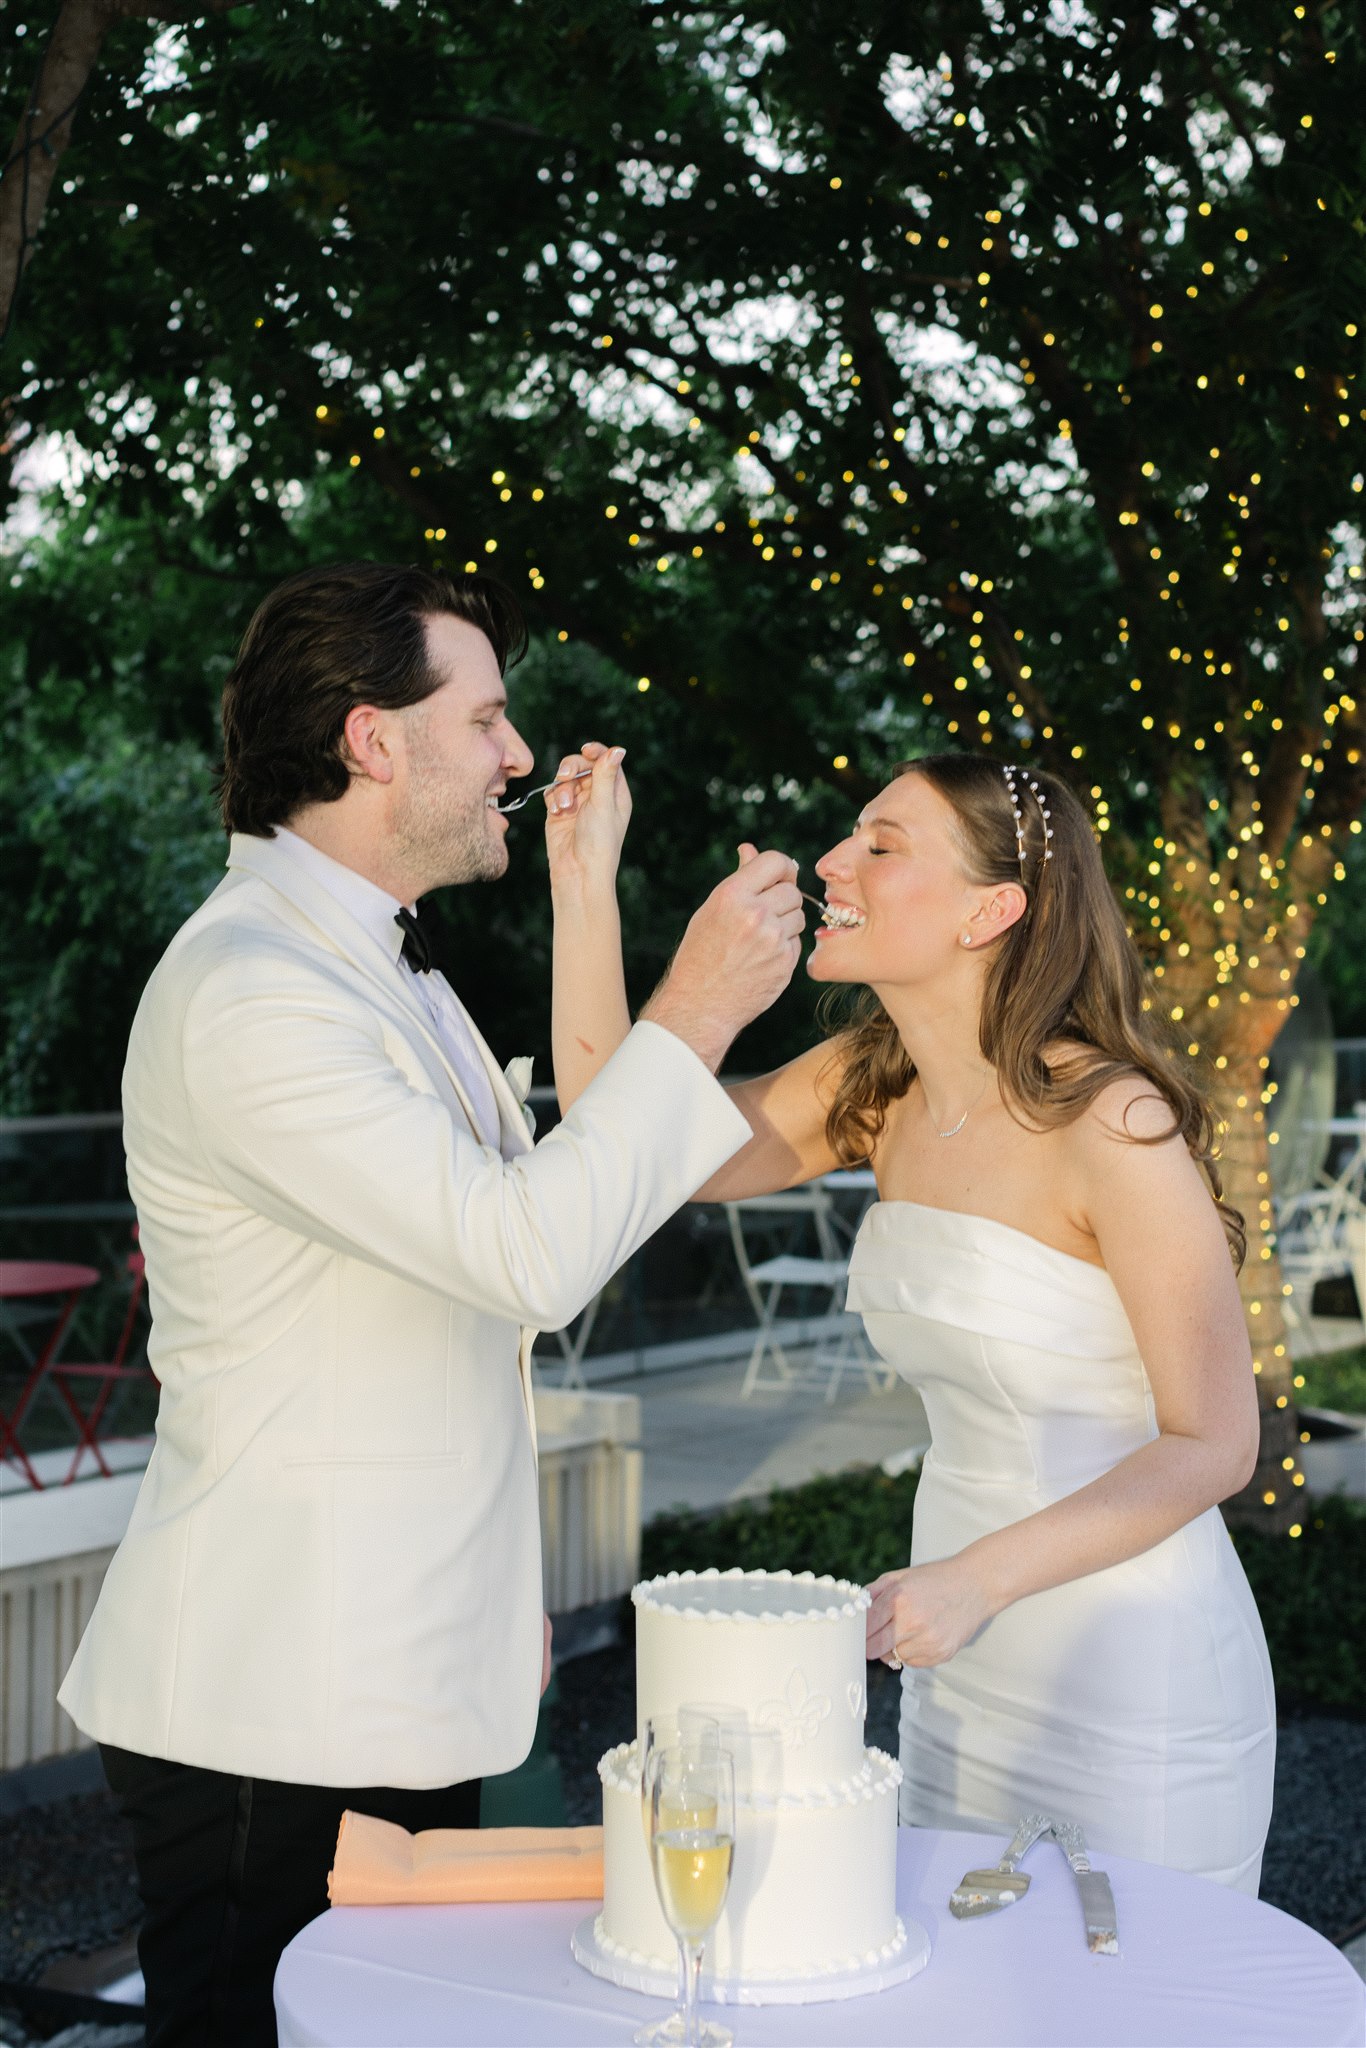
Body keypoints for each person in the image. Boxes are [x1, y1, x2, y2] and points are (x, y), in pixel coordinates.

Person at [57, 560, 805, 2045]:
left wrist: (584, 892)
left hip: (396, 1669)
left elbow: (518, 1254)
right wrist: (701, 1004)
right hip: (271, 1704)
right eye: (487, 720)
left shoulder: (390, 973)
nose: (518, 756)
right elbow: (530, 1252)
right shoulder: (253, 993)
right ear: (369, 740)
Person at [556, 749, 1275, 1895]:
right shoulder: (871, 1085)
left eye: (881, 846)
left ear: (992, 909)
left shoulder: (1113, 1120)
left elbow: (1214, 1441)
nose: (833, 860)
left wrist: (980, 1577)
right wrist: (584, 884)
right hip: (960, 1662)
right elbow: (619, 1138)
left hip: (1133, 1669)